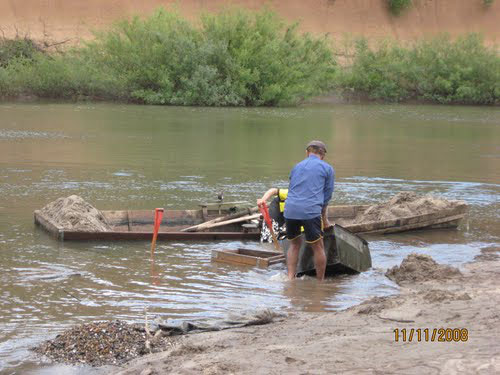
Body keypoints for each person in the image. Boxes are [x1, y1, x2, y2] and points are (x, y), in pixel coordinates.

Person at [257, 140, 334, 281]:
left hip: (290, 210)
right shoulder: (327, 169)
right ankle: (320, 282)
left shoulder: (296, 167)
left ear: (307, 153)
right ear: (323, 155)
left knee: (294, 244)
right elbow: (326, 198)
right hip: (310, 211)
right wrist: (325, 221)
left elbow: (293, 190)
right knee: (318, 246)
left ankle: (290, 278)